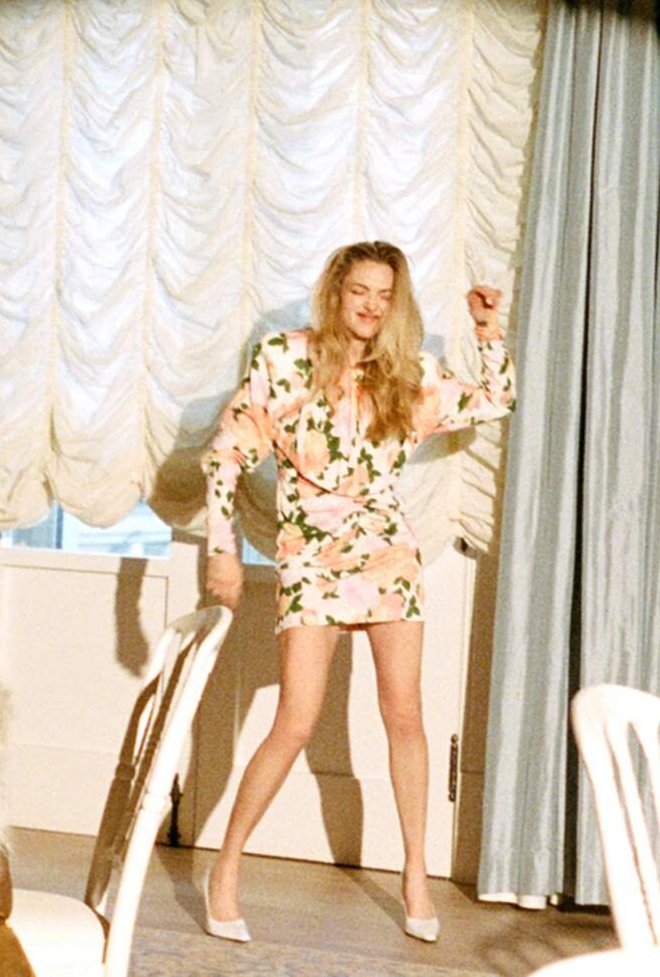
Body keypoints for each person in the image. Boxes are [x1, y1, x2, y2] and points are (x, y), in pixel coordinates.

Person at [200, 240, 515, 945]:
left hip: (386, 553)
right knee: (296, 719)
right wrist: (222, 545)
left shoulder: (409, 374)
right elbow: (224, 454)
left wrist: (487, 330)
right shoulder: (283, 359)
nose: (371, 305)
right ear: (335, 292)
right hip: (309, 556)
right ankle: (226, 868)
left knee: (405, 713)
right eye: (359, 290)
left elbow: (496, 400)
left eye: (384, 294)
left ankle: (415, 874)